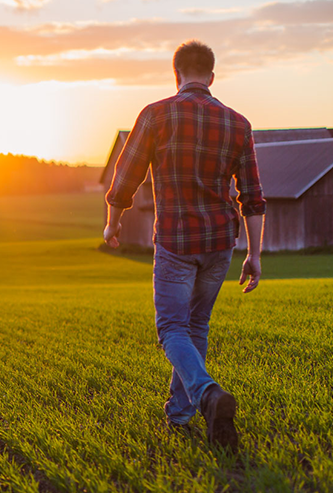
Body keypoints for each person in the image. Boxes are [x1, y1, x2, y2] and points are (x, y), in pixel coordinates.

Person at [103, 40, 266, 451]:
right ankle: (181, 414)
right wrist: (254, 254)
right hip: (220, 241)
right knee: (196, 325)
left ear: (176, 75)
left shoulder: (156, 115)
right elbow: (253, 197)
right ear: (211, 77)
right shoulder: (238, 124)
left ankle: (207, 394)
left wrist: (112, 224)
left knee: (172, 327)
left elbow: (125, 178)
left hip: (176, 239)